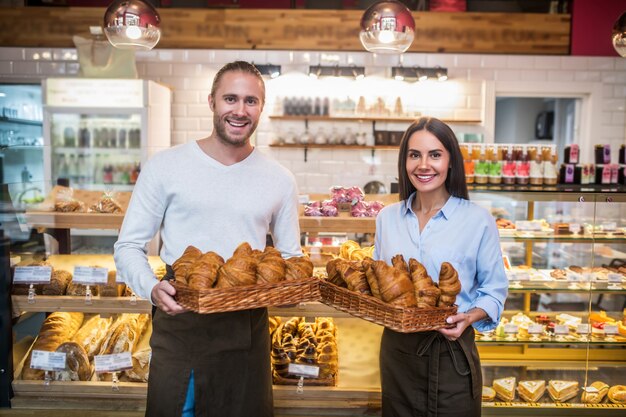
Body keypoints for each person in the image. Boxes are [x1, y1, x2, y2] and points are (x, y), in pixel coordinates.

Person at [114, 61, 303, 417]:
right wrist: (152, 288)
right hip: (181, 320)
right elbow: (127, 246)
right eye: (230, 98)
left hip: (245, 327)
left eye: (251, 101)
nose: (240, 110)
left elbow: (291, 257)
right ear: (212, 102)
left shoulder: (279, 179)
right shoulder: (166, 166)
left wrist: (291, 290)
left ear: (261, 108)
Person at [373, 117, 508, 417]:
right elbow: (378, 284)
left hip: (451, 357)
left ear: (450, 161)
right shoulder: (387, 218)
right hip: (398, 355)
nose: (424, 165)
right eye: (414, 155)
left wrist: (469, 316)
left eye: (435, 154)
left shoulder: (477, 220)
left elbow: (495, 291)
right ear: (404, 161)